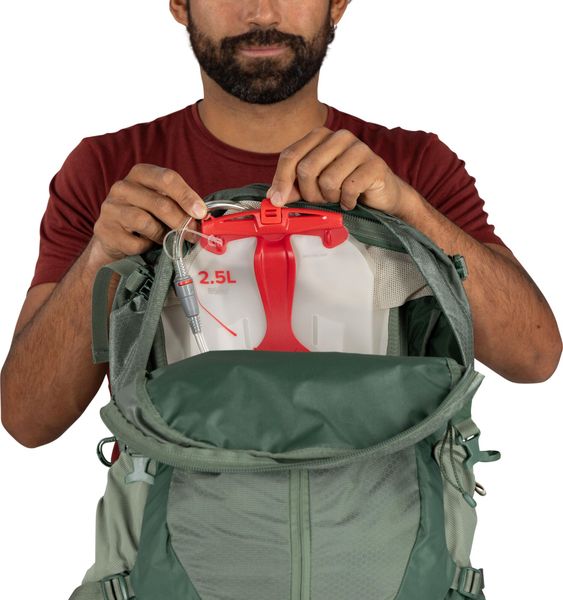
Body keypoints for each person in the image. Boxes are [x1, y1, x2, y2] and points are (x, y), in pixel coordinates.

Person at [0, 1, 561, 592]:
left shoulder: (412, 165)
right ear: (180, 5)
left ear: (337, 4)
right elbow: (29, 418)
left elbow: (534, 356)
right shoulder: (110, 171)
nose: (261, 11)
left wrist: (411, 209)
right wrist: (100, 257)